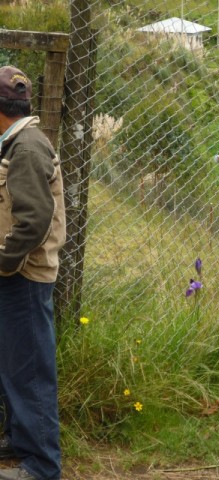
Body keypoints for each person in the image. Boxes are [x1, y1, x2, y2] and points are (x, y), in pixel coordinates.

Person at [0, 66, 65, 480]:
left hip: (23, 277)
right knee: (12, 362)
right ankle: (20, 439)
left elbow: (34, 220)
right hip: (16, 275)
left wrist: (4, 262)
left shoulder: (25, 148)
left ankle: (41, 465)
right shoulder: (16, 141)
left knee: (30, 370)